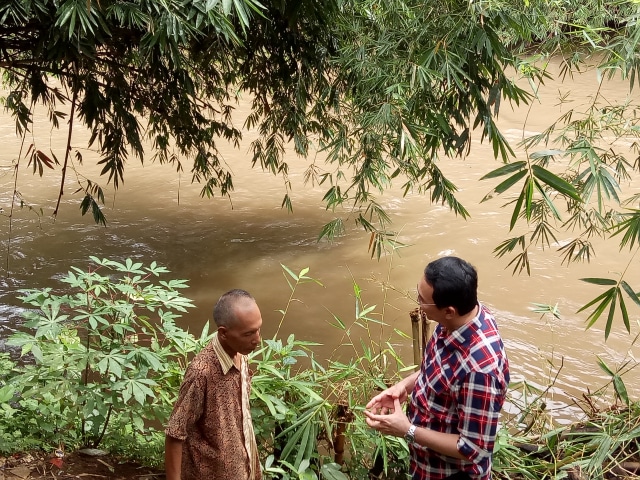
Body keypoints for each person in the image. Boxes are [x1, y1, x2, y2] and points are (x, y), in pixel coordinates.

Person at [365, 256, 509, 480]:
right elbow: (436, 369)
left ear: (449, 310)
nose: (417, 303)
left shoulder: (479, 372)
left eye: (422, 300)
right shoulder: (461, 319)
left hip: (452, 473)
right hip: (427, 464)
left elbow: (474, 448)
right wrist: (401, 387)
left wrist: (408, 431)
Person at [165, 289, 263, 480]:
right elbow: (175, 434)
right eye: (249, 333)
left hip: (244, 469)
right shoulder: (202, 373)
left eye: (258, 329)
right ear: (224, 333)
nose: (257, 339)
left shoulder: (241, 354)